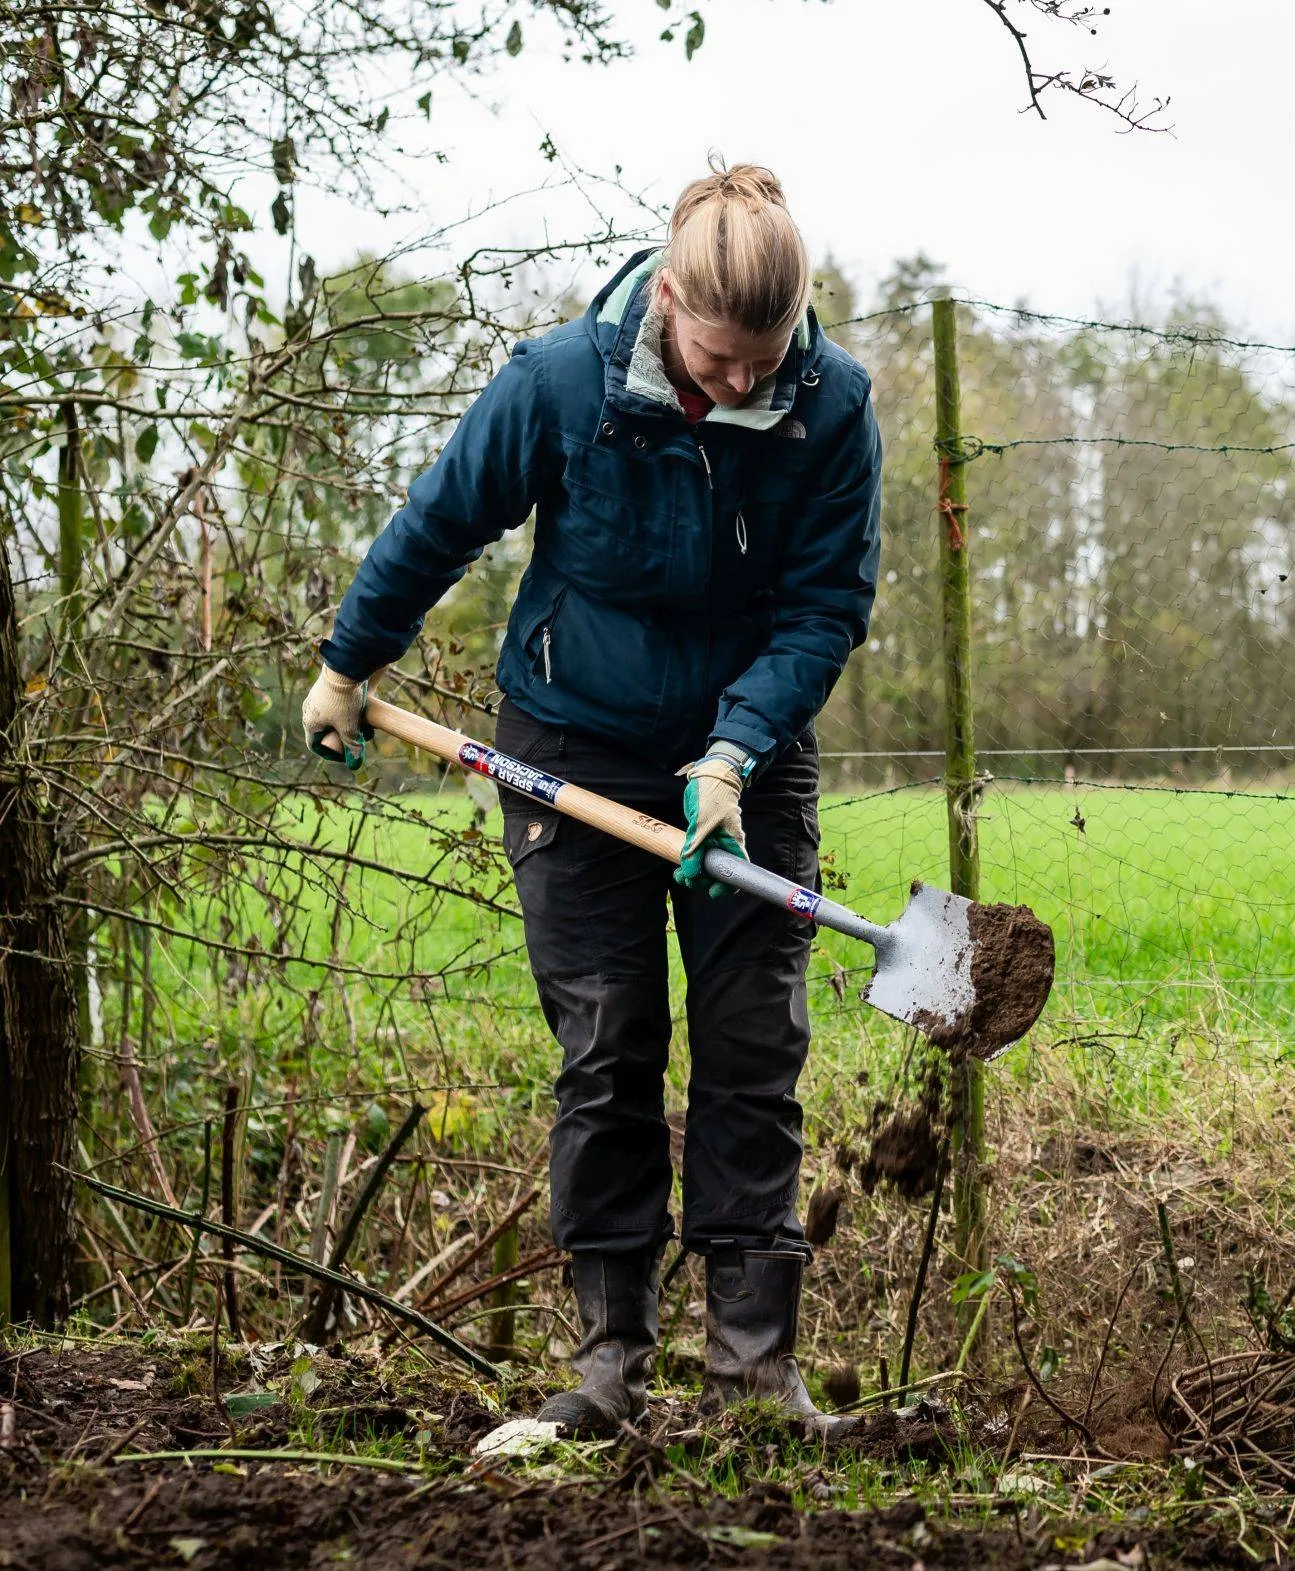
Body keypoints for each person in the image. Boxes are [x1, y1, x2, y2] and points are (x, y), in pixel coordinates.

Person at [301, 163, 881, 1438]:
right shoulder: (561, 382)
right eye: (720, 358)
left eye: (768, 357)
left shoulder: (832, 405)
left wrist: (732, 753)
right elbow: (441, 521)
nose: (744, 383)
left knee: (752, 1050)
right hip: (575, 744)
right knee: (610, 1047)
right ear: (667, 299)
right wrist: (349, 664)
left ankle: (753, 1379)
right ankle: (610, 1368)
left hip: (746, 760)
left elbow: (824, 608)